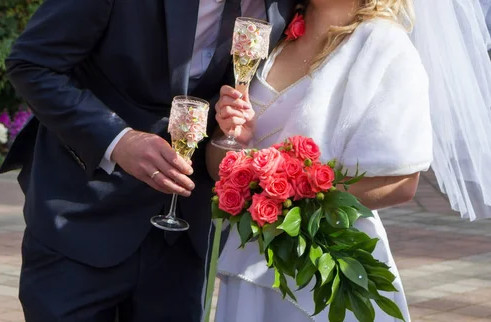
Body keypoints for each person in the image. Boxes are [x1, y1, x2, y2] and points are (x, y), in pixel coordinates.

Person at [0, 0, 295, 321]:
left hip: (184, 237)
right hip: (82, 214)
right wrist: (117, 139)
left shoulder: (285, 5)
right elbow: (32, 63)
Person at [207, 0, 491, 321]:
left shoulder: (385, 47)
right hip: (252, 261)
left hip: (330, 271)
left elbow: (401, 182)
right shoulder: (273, 33)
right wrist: (232, 136)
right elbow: (219, 166)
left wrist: (293, 191)